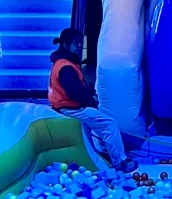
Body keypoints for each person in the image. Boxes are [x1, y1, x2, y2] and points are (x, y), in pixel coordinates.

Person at [48, 27, 134, 171]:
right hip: (71, 108)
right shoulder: (65, 66)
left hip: (67, 106)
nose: (79, 46)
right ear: (66, 45)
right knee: (109, 124)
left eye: (80, 43)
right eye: (76, 43)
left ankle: (101, 157)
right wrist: (92, 101)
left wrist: (89, 93)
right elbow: (75, 92)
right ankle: (120, 162)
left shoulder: (64, 63)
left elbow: (79, 86)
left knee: (90, 131)